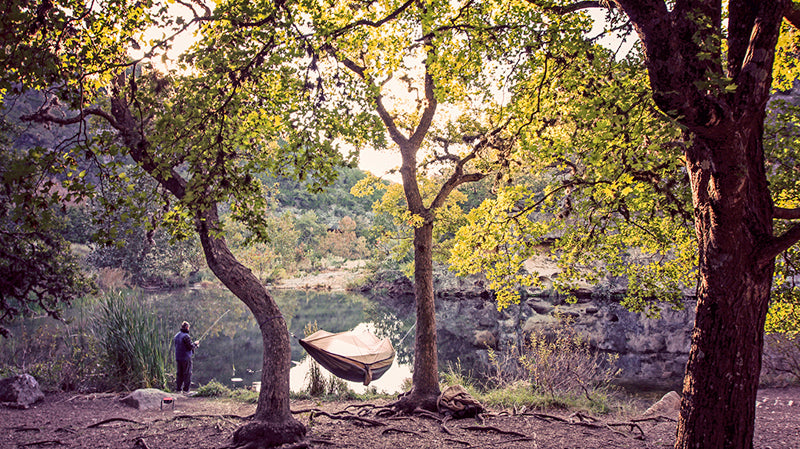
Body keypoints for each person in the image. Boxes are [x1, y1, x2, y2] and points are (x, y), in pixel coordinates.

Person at [173, 321, 199, 393]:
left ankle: (178, 389)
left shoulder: (176, 336)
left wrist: (193, 345)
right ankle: (186, 390)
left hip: (178, 357)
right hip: (186, 358)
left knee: (179, 373)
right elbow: (190, 346)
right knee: (187, 373)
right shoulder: (186, 336)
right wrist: (195, 344)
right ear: (187, 327)